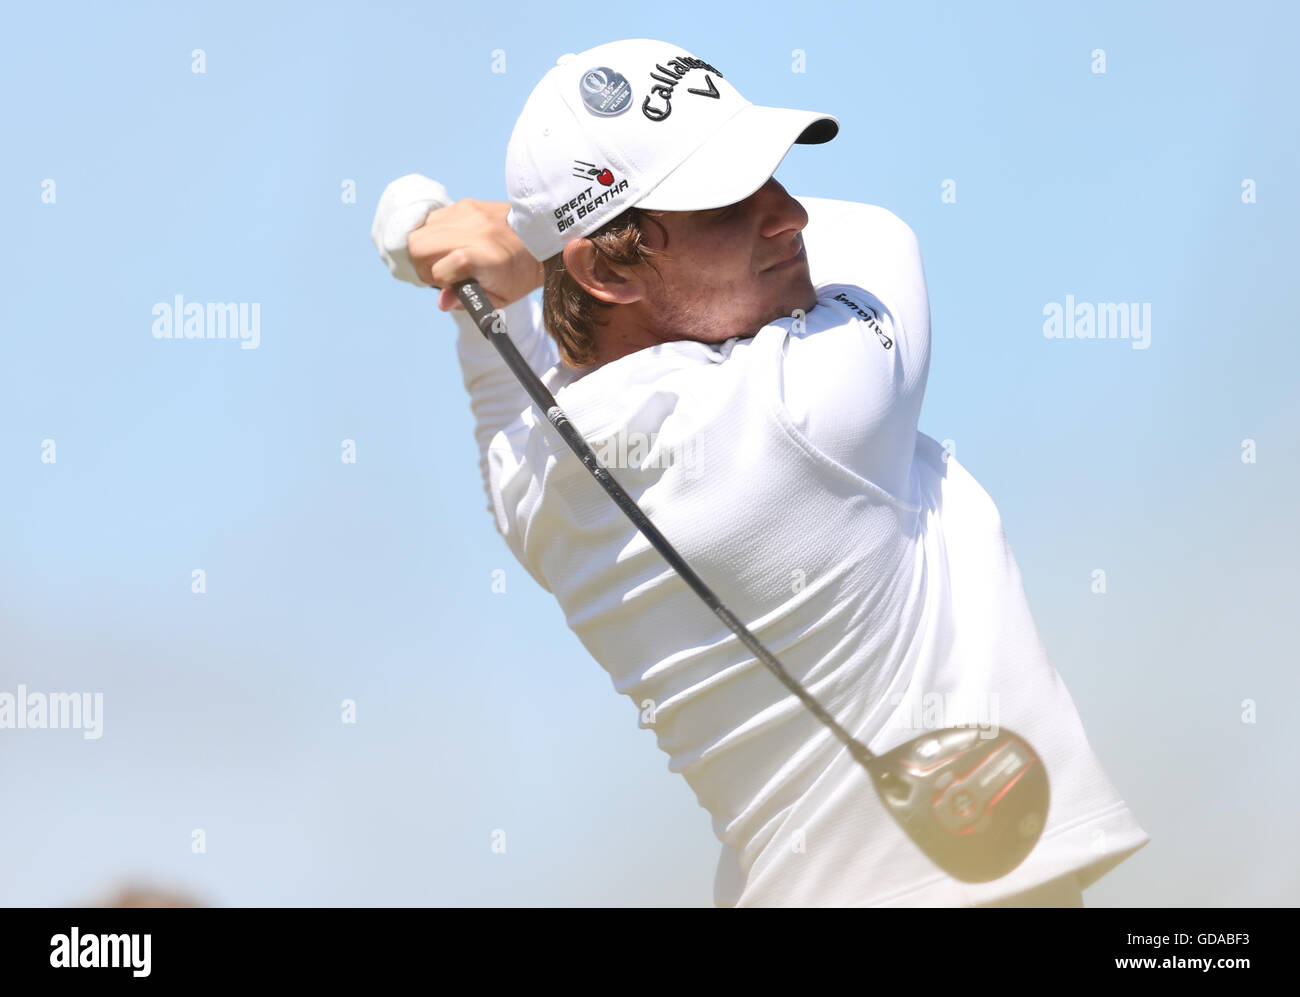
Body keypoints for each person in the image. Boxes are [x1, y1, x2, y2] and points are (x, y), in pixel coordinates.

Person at [371, 38, 1149, 907]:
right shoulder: (806, 401)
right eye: (725, 202)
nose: (788, 216)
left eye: (771, 177)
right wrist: (513, 240)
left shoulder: (534, 486)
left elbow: (503, 362)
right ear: (604, 268)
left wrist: (505, 262)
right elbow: (883, 229)